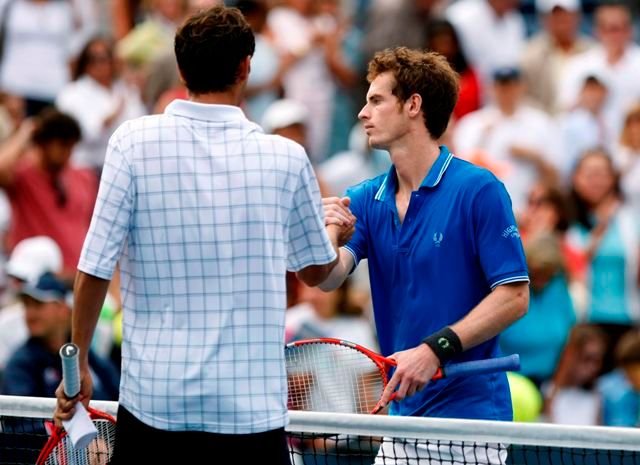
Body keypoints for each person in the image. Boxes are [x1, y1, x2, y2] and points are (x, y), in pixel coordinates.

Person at [53, 6, 351, 464]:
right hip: (250, 417)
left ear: (180, 68)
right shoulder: (287, 157)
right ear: (245, 68)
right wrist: (333, 226)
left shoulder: (131, 142)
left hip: (155, 408)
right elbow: (317, 273)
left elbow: (93, 269)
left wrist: (78, 369)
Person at [321, 47, 529, 464]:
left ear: (413, 105)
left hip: (471, 427)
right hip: (402, 424)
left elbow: (514, 296)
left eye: (376, 100)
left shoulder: (479, 189)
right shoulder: (364, 198)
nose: (362, 113)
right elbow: (327, 278)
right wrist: (328, 233)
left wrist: (434, 350)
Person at [0, 272, 119, 400]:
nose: (30, 314)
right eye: (27, 305)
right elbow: (23, 418)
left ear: (64, 309)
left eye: (38, 305)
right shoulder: (21, 365)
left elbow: (116, 395)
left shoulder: (85, 355)